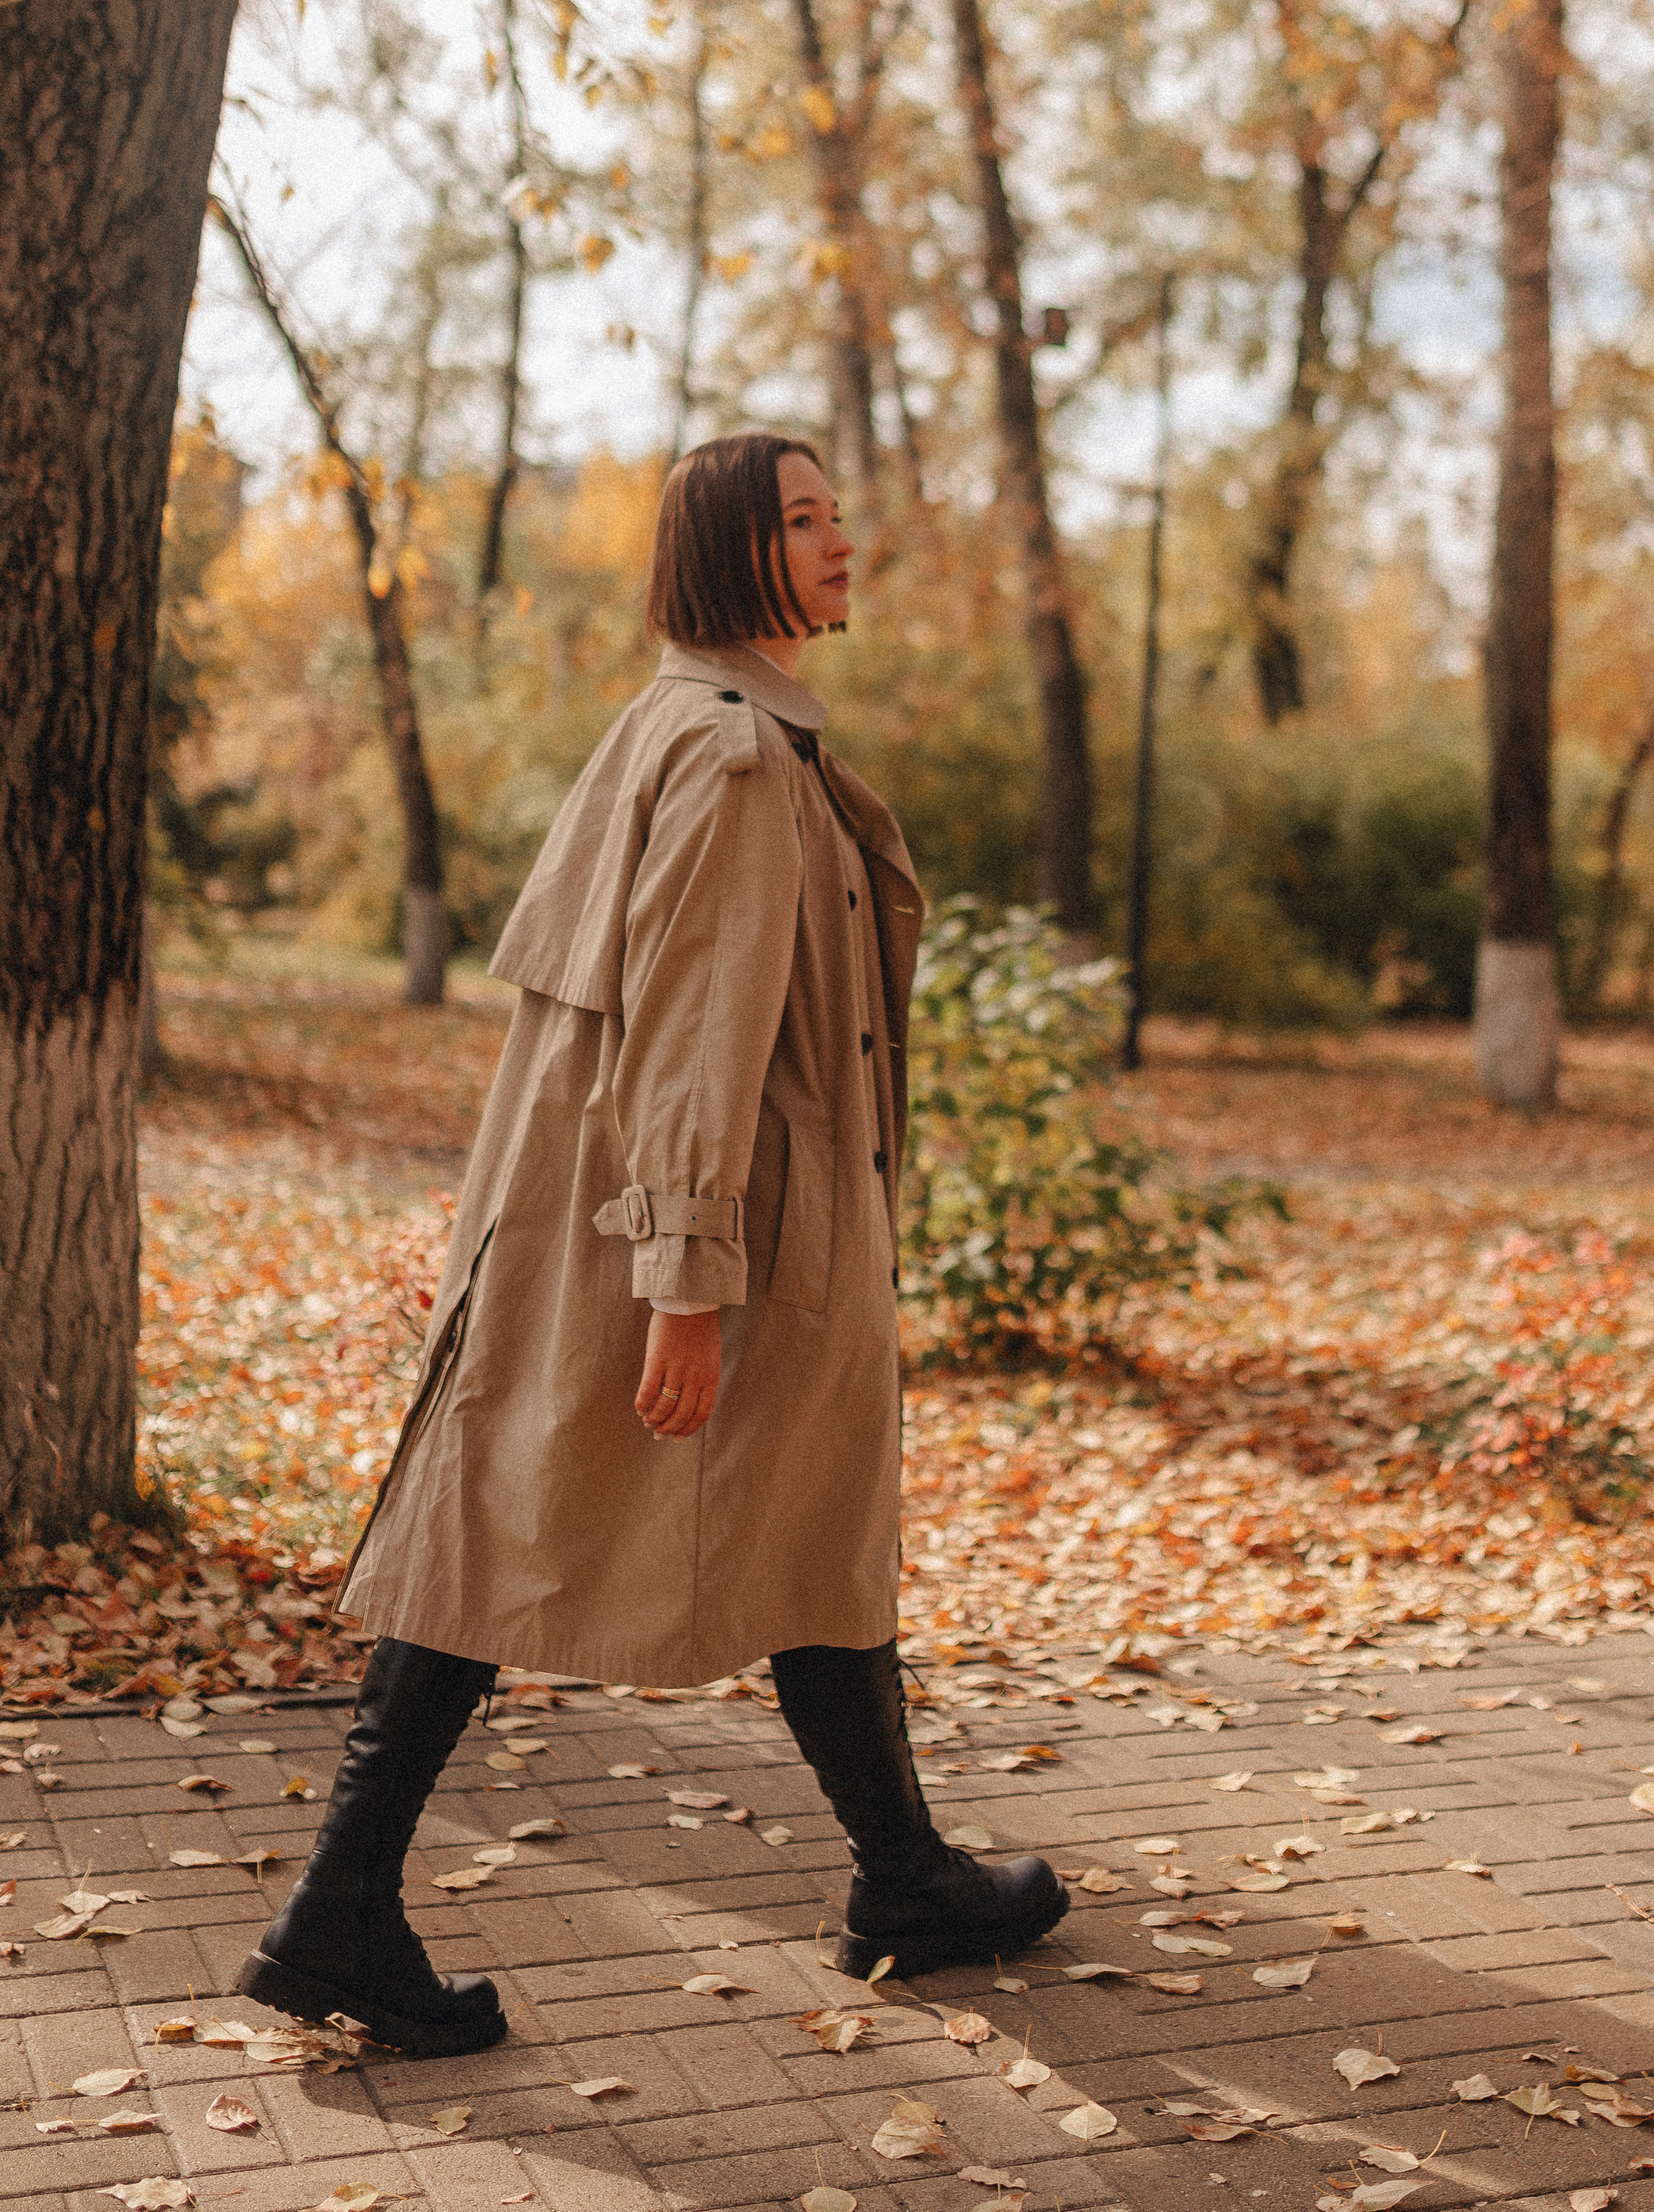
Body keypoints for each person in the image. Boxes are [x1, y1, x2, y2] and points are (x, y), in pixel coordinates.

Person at [234, 432, 1068, 2055]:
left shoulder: (683, 722)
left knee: (780, 1525)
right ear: (729, 555)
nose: (842, 545)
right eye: (804, 522)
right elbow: (692, 1035)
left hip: (618, 1213)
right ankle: (344, 1905)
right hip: (705, 1230)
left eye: (841, 515)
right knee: (536, 1529)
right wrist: (684, 1288)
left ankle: (897, 1876)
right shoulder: (740, 760)